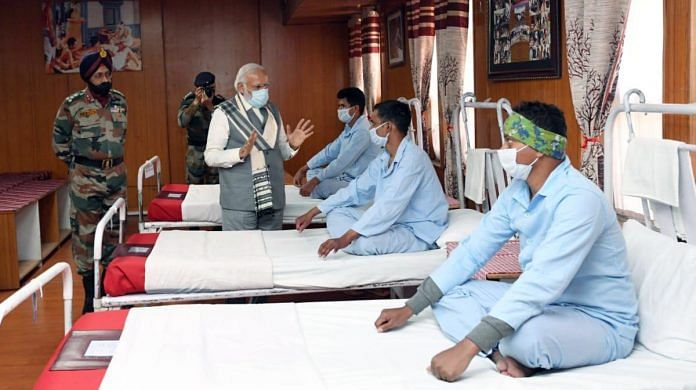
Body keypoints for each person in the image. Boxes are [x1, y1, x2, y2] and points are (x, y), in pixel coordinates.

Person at [374, 101, 639, 382]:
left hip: (596, 319)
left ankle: (502, 348)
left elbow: (543, 280)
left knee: (525, 340)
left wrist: (465, 349)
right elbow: (474, 250)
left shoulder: (580, 200)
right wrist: (411, 306)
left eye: (510, 142)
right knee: (449, 294)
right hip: (549, 305)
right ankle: (497, 354)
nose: (502, 151)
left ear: (540, 147)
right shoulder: (518, 190)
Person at [296, 100, 448, 257]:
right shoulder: (384, 158)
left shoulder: (413, 159)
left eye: (373, 123)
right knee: (335, 213)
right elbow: (356, 189)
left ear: (388, 127)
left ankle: (356, 241)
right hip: (393, 223)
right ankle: (355, 238)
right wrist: (313, 212)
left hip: (416, 230)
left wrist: (344, 239)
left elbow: (389, 206)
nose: (370, 128)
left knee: (364, 244)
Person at [52, 48, 128, 313]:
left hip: (116, 177)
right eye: (99, 75)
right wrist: (79, 166)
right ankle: (89, 295)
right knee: (86, 236)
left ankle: (108, 288)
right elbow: (59, 141)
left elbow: (121, 136)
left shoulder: (120, 101)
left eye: (108, 73)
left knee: (111, 234)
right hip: (85, 178)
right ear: (88, 77)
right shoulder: (73, 104)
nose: (105, 78)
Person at [204, 63, 314, 231]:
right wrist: (239, 153)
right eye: (257, 87)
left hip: (273, 200)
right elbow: (210, 157)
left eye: (266, 86)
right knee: (241, 255)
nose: (263, 91)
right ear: (241, 87)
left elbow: (282, 154)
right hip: (240, 203)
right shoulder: (224, 113)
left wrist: (292, 145)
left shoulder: (273, 111)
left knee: (272, 254)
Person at [293, 87, 378, 199]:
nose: (339, 110)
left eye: (343, 106)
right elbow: (329, 152)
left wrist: (314, 182)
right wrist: (304, 169)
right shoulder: (350, 127)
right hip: (344, 176)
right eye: (339, 106)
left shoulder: (363, 132)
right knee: (312, 172)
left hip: (357, 181)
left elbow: (342, 162)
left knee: (320, 186)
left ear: (355, 108)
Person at [177, 71, 226, 184]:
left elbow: (227, 123)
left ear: (215, 86)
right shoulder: (189, 101)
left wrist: (210, 106)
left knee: (215, 186)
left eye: (211, 88)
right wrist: (195, 103)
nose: (209, 92)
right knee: (193, 187)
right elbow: (181, 122)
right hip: (195, 151)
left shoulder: (220, 102)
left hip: (216, 149)